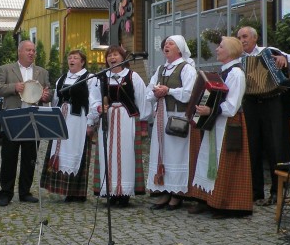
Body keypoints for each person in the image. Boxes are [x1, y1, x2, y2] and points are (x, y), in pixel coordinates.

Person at [187, 36, 252, 217]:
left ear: (230, 50)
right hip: (216, 121)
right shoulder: (225, 71)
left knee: (226, 162)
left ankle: (227, 203)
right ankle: (208, 198)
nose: (217, 49)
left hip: (230, 124)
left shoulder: (236, 74)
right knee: (209, 159)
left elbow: (232, 106)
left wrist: (210, 110)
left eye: (221, 47)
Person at [237, 26, 290, 205]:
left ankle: (276, 191)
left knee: (274, 146)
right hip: (250, 103)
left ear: (255, 38)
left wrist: (283, 58)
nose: (242, 40)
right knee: (252, 146)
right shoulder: (238, 59)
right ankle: (256, 192)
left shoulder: (268, 51)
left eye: (245, 36)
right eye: (239, 37)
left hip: (271, 102)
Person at [0, 40, 50, 207]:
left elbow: (49, 92)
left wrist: (47, 96)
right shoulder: (6, 69)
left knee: (30, 158)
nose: (31, 53)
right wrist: (13, 87)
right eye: (28, 50)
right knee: (9, 157)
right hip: (13, 118)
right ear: (19, 52)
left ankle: (25, 192)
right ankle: (6, 193)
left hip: (33, 120)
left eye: (33, 50)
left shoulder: (42, 72)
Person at [41, 49, 101, 202]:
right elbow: (55, 101)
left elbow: (94, 102)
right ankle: (62, 188)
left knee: (77, 152)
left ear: (82, 62)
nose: (72, 60)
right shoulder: (61, 79)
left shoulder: (90, 78)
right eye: (70, 58)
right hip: (62, 119)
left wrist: (91, 123)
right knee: (59, 151)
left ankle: (77, 193)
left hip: (78, 121)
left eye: (76, 58)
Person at [93, 45, 150, 207]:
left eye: (115, 54)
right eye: (109, 55)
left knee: (126, 153)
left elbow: (142, 99)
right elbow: (95, 98)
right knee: (108, 153)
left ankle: (124, 192)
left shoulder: (133, 76)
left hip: (127, 119)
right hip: (108, 119)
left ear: (122, 57)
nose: (112, 58)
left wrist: (143, 123)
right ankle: (110, 191)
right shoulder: (102, 78)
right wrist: (99, 107)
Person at [146, 35, 197, 210]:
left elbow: (190, 93)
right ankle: (164, 191)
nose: (166, 46)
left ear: (179, 48)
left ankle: (177, 193)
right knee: (163, 153)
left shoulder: (187, 68)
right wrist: (156, 92)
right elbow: (148, 92)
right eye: (165, 44)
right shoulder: (161, 69)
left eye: (170, 44)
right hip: (162, 116)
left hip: (178, 116)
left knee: (176, 154)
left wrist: (168, 91)